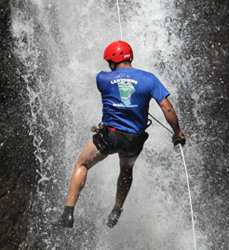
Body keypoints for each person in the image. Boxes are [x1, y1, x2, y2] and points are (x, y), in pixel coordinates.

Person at [57, 41, 186, 229]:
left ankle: (68, 213)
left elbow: (117, 86)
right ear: (130, 58)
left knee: (83, 163)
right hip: (133, 140)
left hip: (110, 136)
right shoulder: (149, 79)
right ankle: (117, 209)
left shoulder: (102, 79)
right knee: (126, 170)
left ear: (112, 62)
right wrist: (177, 133)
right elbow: (167, 107)